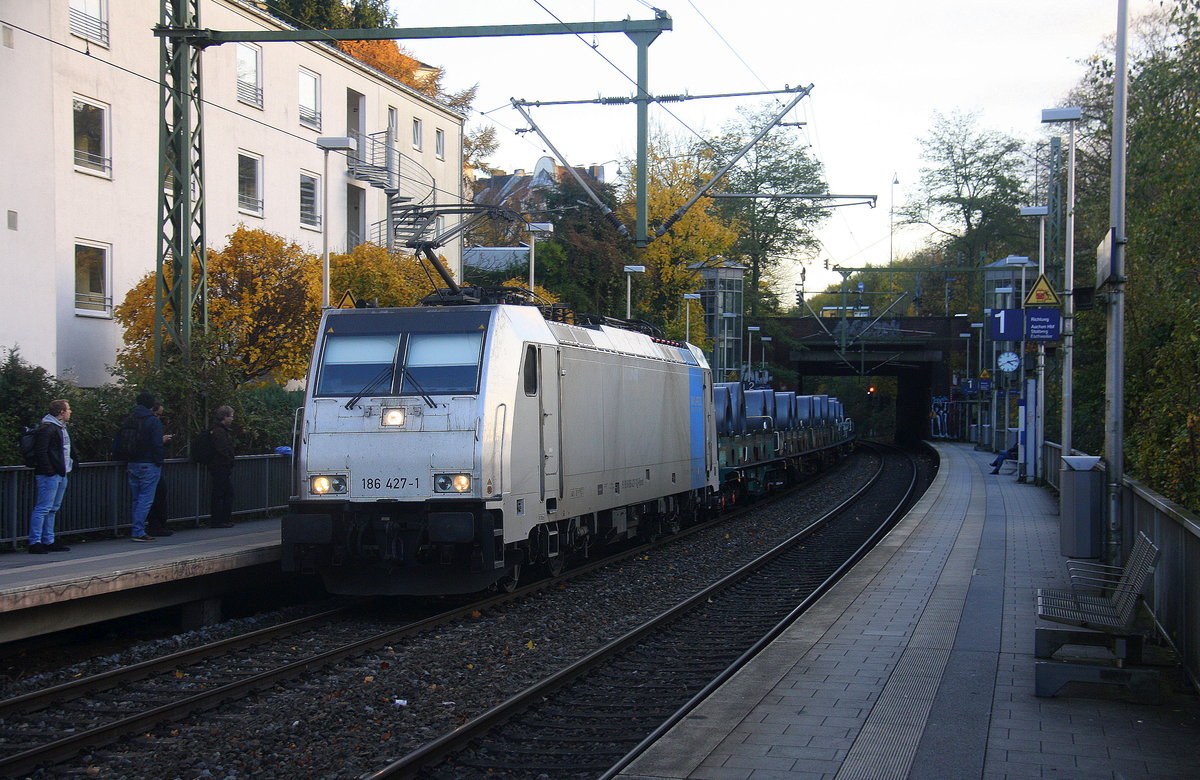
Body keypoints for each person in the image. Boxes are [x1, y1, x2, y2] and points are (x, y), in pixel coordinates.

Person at [28, 399, 75, 554]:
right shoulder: (48, 428)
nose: (70, 412)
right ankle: (35, 541)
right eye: (68, 409)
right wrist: (50, 470)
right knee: (43, 508)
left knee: (52, 508)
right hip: (51, 474)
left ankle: (49, 540)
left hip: (60, 472)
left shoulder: (59, 427)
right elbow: (41, 452)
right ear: (61, 412)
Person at [126, 392, 171, 541]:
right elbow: (157, 444)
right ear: (152, 405)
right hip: (148, 463)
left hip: (132, 463)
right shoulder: (152, 421)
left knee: (136, 499)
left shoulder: (130, 418)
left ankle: (136, 528)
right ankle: (138, 531)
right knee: (145, 499)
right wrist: (158, 460)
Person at [145, 403, 174, 537]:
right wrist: (161, 441)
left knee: (143, 498)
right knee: (157, 494)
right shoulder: (151, 423)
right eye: (158, 414)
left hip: (138, 464)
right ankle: (155, 526)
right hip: (150, 464)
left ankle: (142, 527)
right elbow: (152, 445)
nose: (158, 418)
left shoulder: (134, 421)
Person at [207, 405, 236, 529]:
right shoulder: (220, 432)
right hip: (221, 466)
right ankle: (220, 520)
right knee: (223, 493)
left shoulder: (217, 430)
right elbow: (222, 449)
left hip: (219, 465)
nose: (232, 419)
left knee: (222, 493)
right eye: (231, 416)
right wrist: (229, 459)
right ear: (225, 417)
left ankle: (220, 519)